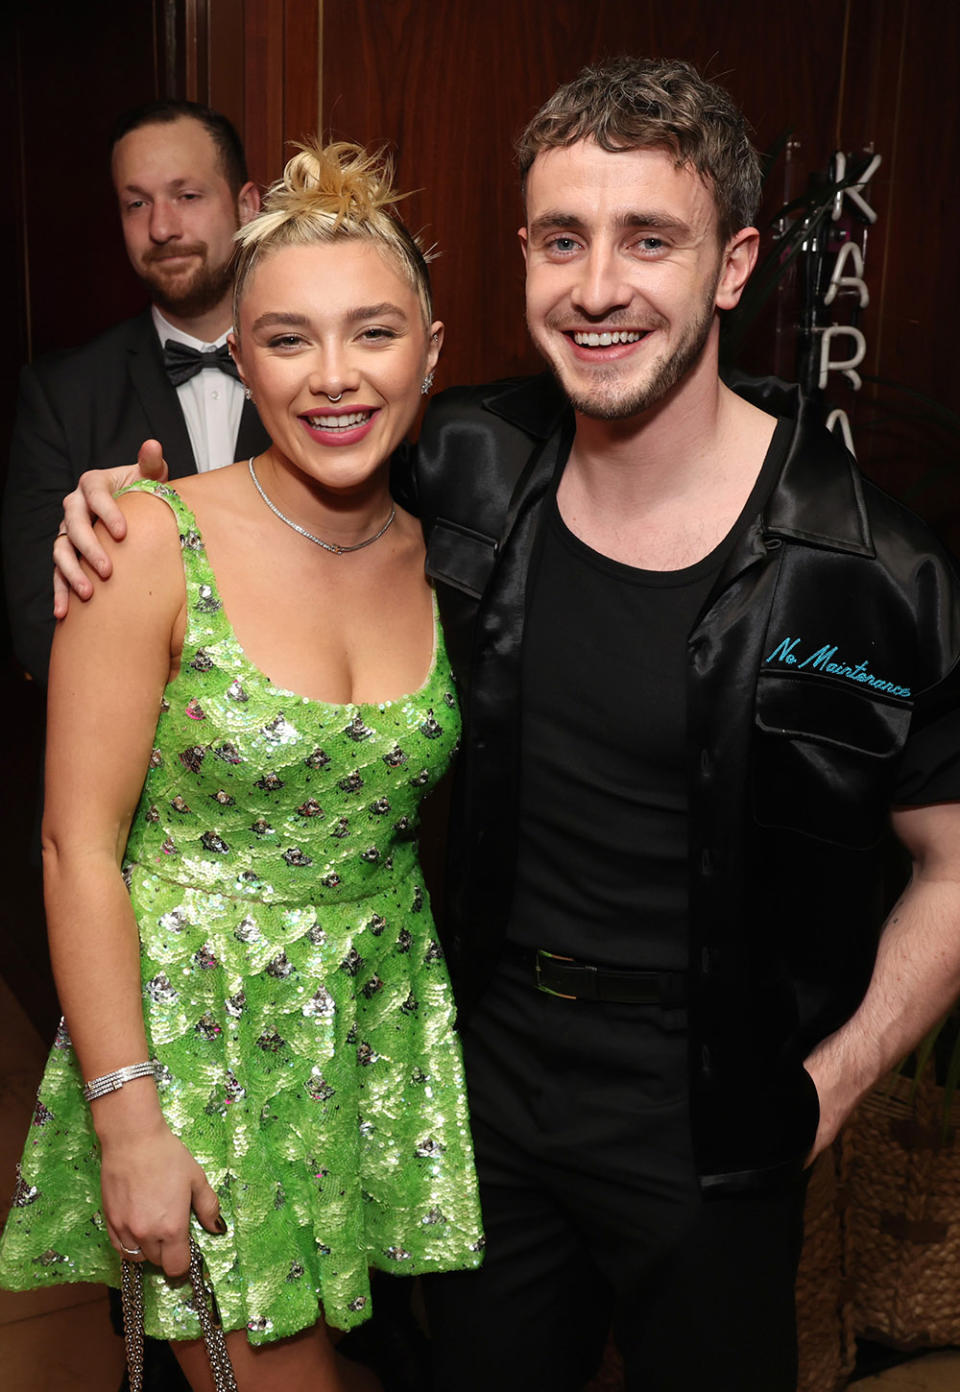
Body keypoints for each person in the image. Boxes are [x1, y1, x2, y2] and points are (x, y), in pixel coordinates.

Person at [50, 58, 960, 1392]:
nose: (598, 286)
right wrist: (118, 507)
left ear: (734, 262)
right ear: (523, 257)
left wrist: (836, 1079)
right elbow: (294, 471)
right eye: (561, 240)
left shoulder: (872, 569)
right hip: (475, 1093)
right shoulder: (463, 463)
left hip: (712, 1113)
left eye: (650, 238)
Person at [0, 140, 483, 1392]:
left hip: (371, 1028)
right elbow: (75, 847)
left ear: (431, 352)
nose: (334, 378)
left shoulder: (459, 549)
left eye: (373, 334)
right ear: (242, 356)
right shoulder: (147, 539)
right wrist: (127, 1119)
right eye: (288, 341)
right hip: (200, 1035)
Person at [3, 99, 269, 684]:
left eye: (187, 196)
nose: (162, 228)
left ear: (247, 206)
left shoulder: (319, 376)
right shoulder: (59, 395)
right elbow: (37, 626)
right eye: (136, 203)